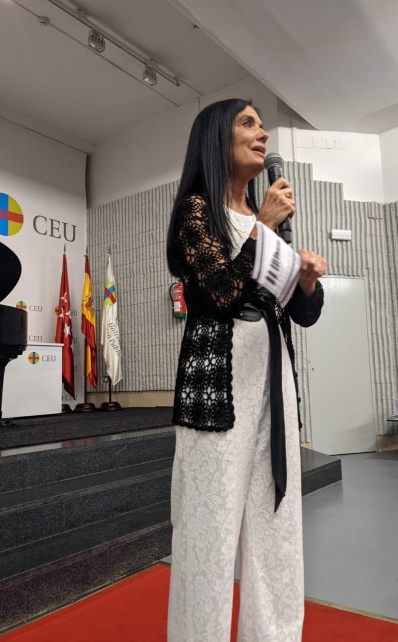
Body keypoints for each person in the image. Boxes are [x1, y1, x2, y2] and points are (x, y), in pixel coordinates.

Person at [166, 98, 326, 642]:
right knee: (208, 536)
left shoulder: (266, 222)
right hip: (218, 393)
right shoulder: (196, 212)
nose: (263, 134)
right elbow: (222, 294)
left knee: (277, 530)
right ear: (217, 137)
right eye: (248, 123)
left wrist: (306, 280)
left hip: (272, 390)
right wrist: (262, 228)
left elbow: (302, 313)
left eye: (263, 125)